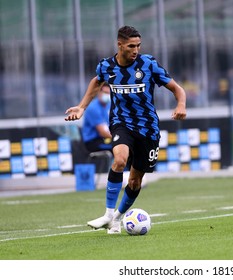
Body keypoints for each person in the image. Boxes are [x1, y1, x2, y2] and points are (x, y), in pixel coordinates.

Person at [65, 25, 187, 234]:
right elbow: (96, 83)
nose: (135, 50)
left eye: (138, 45)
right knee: (120, 159)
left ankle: (118, 219)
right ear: (119, 45)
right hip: (121, 123)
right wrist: (82, 107)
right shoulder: (107, 66)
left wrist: (181, 105)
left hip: (148, 128)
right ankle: (108, 213)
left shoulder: (148, 65)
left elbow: (177, 89)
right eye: (131, 46)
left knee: (135, 180)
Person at [82, 82, 112, 153]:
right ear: (99, 92)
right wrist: (119, 138)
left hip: (105, 139)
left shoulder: (109, 105)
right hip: (93, 142)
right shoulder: (93, 108)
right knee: (118, 147)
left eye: (109, 93)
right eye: (105, 92)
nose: (107, 95)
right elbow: (102, 132)